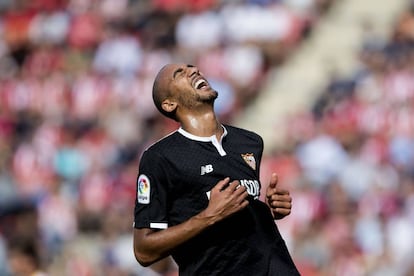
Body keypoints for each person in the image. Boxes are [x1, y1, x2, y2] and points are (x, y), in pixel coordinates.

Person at [133, 63, 300, 275]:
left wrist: (268, 209)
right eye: (180, 74)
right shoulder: (160, 157)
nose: (194, 71)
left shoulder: (249, 142)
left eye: (193, 68)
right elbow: (143, 251)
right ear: (169, 104)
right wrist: (208, 216)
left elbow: (237, 211)